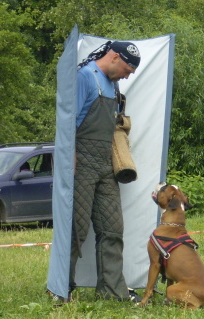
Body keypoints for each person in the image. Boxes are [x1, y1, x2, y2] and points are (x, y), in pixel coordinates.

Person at [69, 41, 141, 302]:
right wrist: (70, 161)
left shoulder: (113, 84)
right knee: (75, 229)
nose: (128, 75)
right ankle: (61, 288)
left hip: (106, 166)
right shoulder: (84, 76)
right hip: (81, 165)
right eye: (127, 69)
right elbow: (68, 124)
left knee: (112, 229)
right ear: (113, 57)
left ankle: (111, 293)